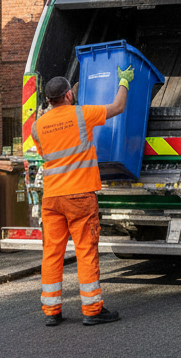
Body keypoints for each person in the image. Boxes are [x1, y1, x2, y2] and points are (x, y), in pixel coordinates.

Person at [33, 65, 133, 326]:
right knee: (85, 250)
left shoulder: (38, 126)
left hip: (52, 198)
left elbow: (44, 152)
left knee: (52, 253)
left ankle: (52, 311)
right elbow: (118, 106)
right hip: (79, 196)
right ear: (68, 95)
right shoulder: (81, 115)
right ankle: (92, 310)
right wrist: (124, 80)